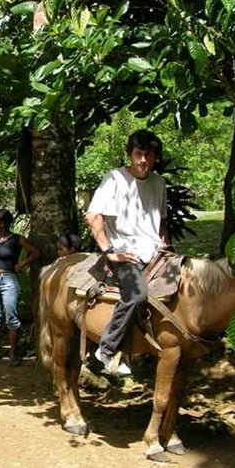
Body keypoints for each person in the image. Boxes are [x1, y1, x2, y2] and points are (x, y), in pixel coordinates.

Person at [85, 129, 168, 377]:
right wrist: (110, 252)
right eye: (138, 154)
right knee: (136, 294)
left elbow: (161, 221)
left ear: (155, 158)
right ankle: (106, 351)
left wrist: (167, 246)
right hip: (125, 253)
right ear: (130, 155)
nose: (143, 160)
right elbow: (93, 217)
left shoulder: (159, 182)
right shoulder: (114, 179)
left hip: (155, 253)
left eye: (148, 155)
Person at [0, 209, 39, 367]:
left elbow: (34, 253)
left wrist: (21, 264)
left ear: (3, 224)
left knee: (11, 317)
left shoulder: (17, 239)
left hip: (8, 280)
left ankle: (13, 355)